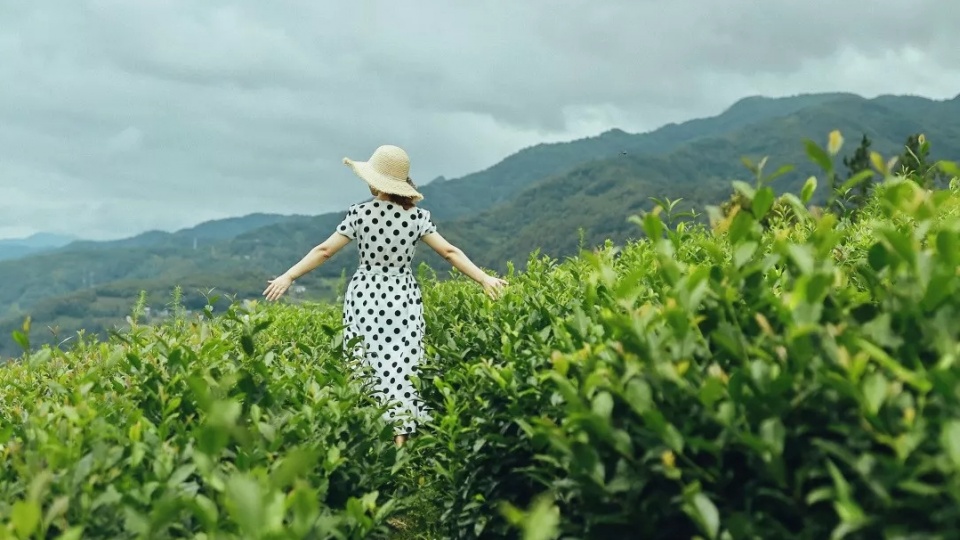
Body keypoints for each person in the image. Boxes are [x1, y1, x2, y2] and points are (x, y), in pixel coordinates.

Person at [262, 144, 508, 446]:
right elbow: (449, 252)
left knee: (364, 359)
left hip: (365, 295)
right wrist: (484, 278)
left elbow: (324, 251)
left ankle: (364, 432)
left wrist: (289, 275)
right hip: (402, 296)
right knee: (402, 364)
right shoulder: (418, 218)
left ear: (374, 180)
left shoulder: (360, 213)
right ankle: (400, 441)